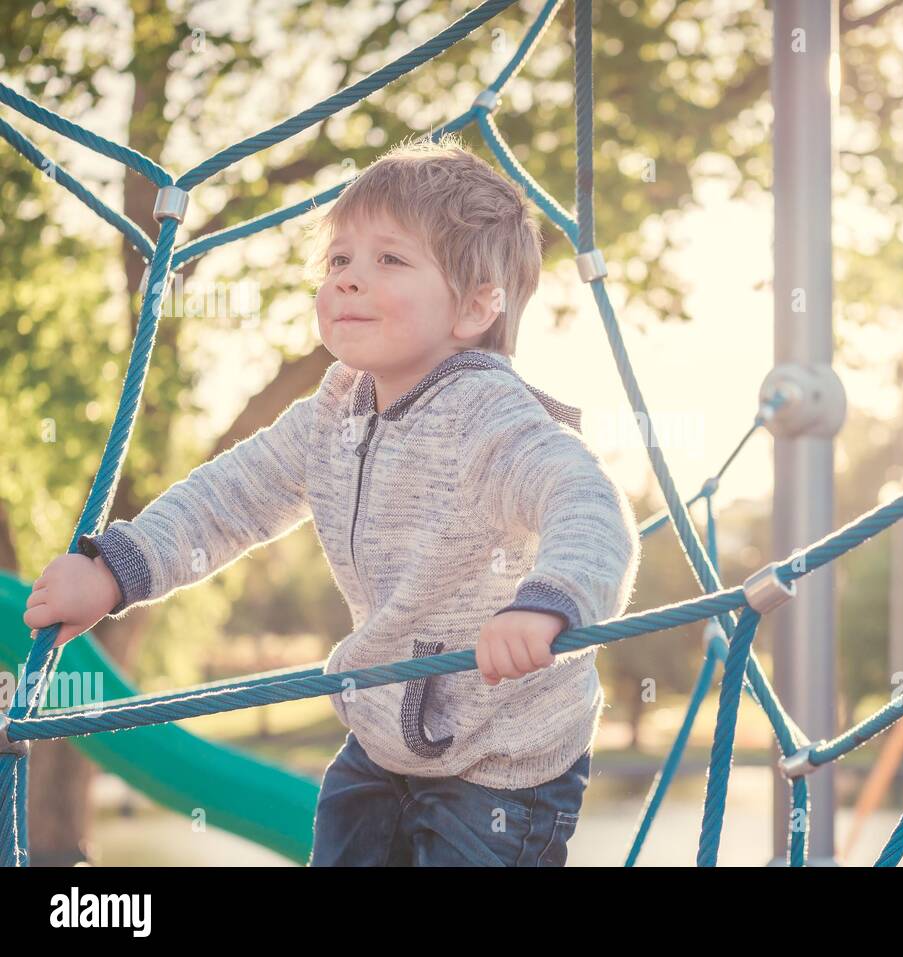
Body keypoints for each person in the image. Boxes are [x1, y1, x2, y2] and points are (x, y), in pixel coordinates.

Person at [23, 134, 642, 867]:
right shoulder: (334, 410)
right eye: (339, 260)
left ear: (476, 306)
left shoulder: (491, 417)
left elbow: (591, 507)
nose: (348, 278)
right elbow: (230, 498)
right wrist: (117, 569)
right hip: (383, 739)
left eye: (390, 259)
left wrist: (548, 602)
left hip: (503, 761)